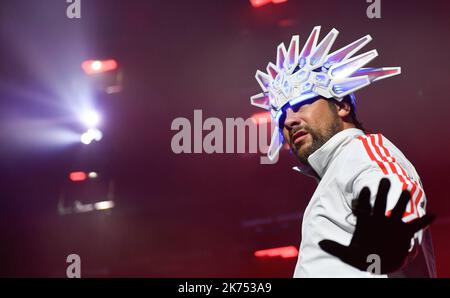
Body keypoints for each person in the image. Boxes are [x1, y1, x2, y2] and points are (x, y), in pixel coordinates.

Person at [250, 26, 436, 277]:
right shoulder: (333, 176)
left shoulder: (361, 152)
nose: (289, 120)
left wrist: (392, 236)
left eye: (302, 102)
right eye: (281, 114)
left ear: (342, 106)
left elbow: (390, 194)